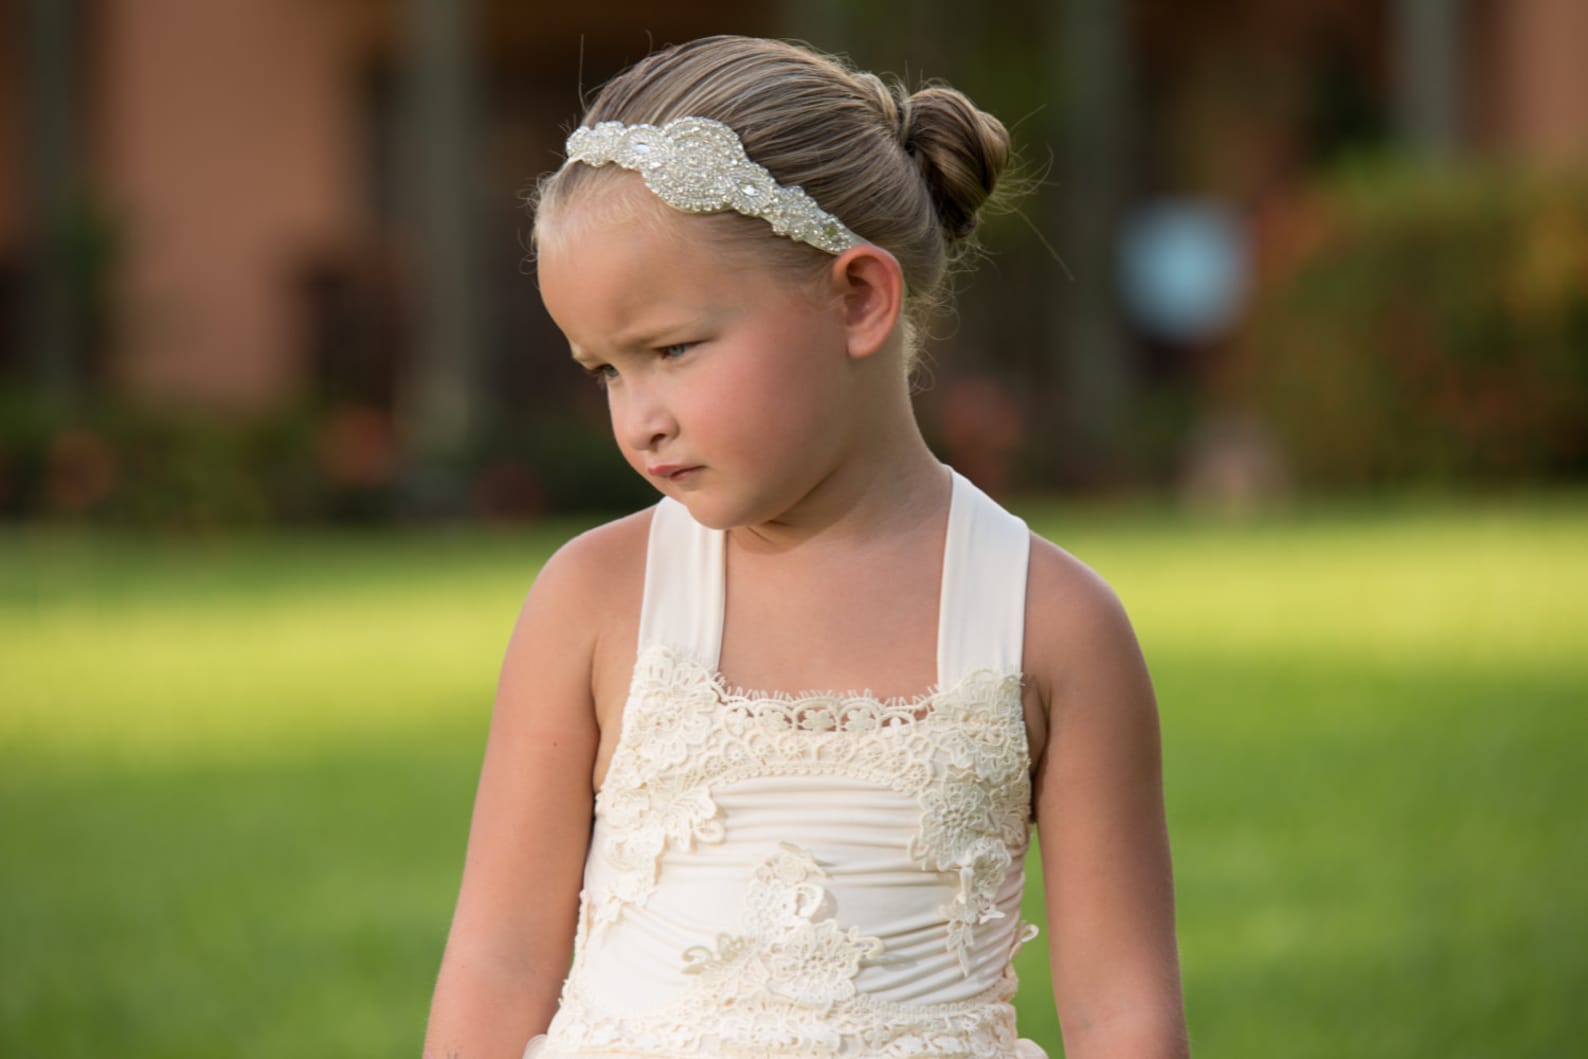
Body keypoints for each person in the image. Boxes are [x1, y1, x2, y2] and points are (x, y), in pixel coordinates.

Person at [424, 34, 1188, 1059]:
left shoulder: (1051, 625)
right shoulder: (597, 600)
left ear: (859, 299)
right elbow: (498, 962)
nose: (638, 418)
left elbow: (1120, 1013)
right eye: (606, 371)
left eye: (671, 350)